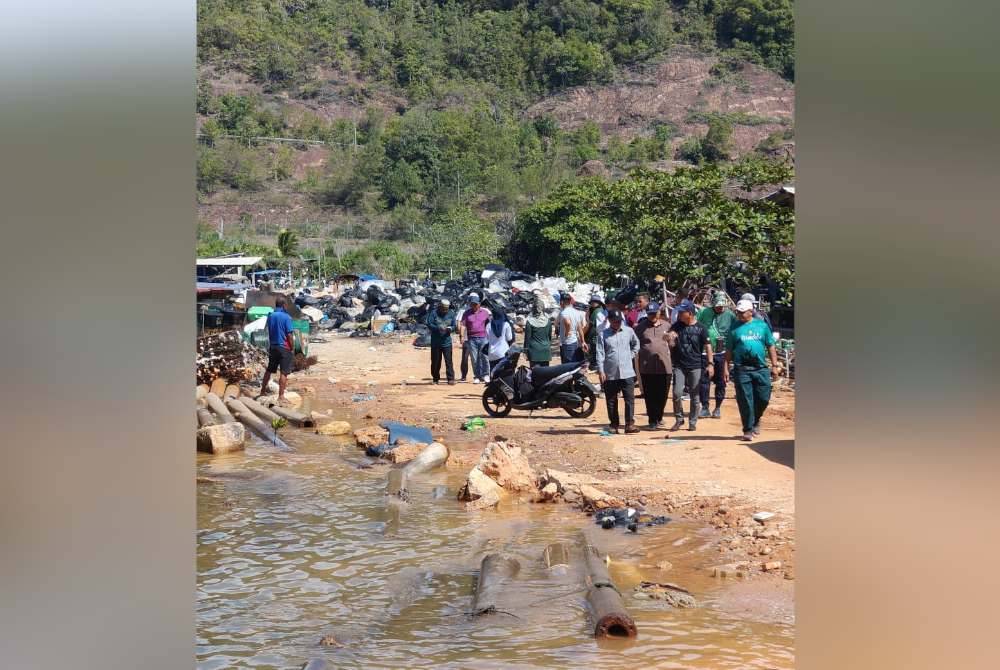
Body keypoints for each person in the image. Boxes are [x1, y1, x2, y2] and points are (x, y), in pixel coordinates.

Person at [724, 299, 779, 441]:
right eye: (738, 312)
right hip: (742, 369)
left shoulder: (762, 326)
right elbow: (729, 350)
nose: (739, 314)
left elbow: (771, 346)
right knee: (745, 400)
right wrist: (725, 367)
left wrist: (774, 365)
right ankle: (748, 429)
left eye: (742, 312)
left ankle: (756, 419)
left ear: (750, 312)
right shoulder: (734, 328)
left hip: (760, 368)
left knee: (763, 398)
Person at [668, 299, 713, 431]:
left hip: (695, 365)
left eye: (682, 312)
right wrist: (670, 340)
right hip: (679, 365)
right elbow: (671, 343)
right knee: (676, 393)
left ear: (690, 313)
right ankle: (679, 419)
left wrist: (710, 364)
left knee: (695, 395)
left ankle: (692, 421)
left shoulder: (701, 328)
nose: (680, 314)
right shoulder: (676, 326)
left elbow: (708, 347)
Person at [596, 310, 641, 434]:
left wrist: (631, 355)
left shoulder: (628, 331)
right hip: (610, 372)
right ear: (609, 320)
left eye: (619, 321)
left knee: (629, 399)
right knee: (611, 399)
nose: (617, 324)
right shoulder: (603, 335)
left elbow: (636, 344)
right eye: (615, 321)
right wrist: (601, 370)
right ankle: (614, 425)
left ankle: (629, 425)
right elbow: (600, 353)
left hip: (627, 372)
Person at [697, 291, 737, 418]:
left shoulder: (730, 316)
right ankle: (704, 407)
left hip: (721, 353)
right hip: (704, 352)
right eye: (718, 305)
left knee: (720, 382)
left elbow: (734, 333)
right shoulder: (704, 313)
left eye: (722, 306)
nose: (720, 308)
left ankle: (718, 407)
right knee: (704, 381)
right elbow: (696, 325)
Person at [634, 302, 675, 429]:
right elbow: (634, 344)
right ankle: (652, 420)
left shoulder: (667, 326)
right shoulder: (640, 327)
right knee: (649, 394)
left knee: (662, 394)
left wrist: (671, 339)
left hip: (664, 366)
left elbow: (673, 345)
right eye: (650, 314)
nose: (652, 316)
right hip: (647, 366)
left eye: (654, 313)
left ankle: (659, 416)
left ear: (659, 312)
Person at [259, 296, 294, 404]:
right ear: (284, 305)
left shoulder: (270, 316)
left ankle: (262, 391)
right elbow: (289, 334)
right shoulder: (286, 317)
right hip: (284, 347)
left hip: (273, 346)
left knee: (269, 370)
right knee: (284, 372)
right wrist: (292, 347)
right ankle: (281, 396)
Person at [459, 293, 491, 383]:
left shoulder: (485, 312)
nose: (474, 306)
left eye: (475, 304)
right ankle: (477, 376)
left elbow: (489, 325)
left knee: (484, 357)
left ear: (479, 304)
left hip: (483, 338)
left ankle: (486, 375)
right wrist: (461, 336)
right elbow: (463, 325)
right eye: (472, 304)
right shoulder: (467, 313)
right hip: (471, 338)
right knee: (474, 358)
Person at [425, 299, 457, 385]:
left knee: (448, 361)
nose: (444, 311)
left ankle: (450, 378)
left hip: (447, 342)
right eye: (443, 309)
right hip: (436, 342)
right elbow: (429, 323)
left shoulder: (451, 313)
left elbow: (454, 325)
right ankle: (435, 378)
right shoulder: (433, 313)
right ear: (440, 307)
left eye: (446, 309)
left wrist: (450, 329)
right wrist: (437, 328)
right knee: (435, 361)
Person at [523, 297, 554, 367]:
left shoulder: (530, 322)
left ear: (533, 308)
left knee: (535, 374)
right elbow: (549, 337)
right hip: (546, 351)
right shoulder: (548, 322)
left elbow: (527, 339)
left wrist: (525, 351)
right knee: (545, 373)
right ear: (543, 308)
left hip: (534, 352)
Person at [557, 293, 588, 363]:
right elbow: (579, 328)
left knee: (568, 365)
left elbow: (567, 323)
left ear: (561, 302)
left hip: (567, 343)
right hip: (575, 342)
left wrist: (566, 333)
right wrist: (583, 341)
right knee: (574, 363)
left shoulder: (564, 313)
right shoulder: (576, 312)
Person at [486, 305, 515, 371]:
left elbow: (487, 338)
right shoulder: (506, 324)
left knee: (493, 373)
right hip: (503, 353)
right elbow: (509, 338)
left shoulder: (488, 325)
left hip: (491, 354)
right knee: (503, 374)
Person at [584, 295, 607, 367]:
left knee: (594, 352)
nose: (593, 303)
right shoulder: (599, 310)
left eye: (595, 301)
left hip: (594, 336)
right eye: (592, 302)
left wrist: (587, 317)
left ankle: (595, 365)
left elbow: (589, 324)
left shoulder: (597, 311)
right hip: (596, 335)